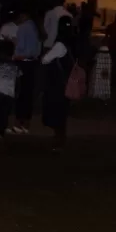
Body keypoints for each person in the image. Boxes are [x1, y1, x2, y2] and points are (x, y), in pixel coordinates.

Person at [40, 16, 76, 149]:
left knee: (56, 111)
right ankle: (60, 138)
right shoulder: (71, 41)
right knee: (62, 111)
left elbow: (45, 60)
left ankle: (59, 140)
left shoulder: (60, 44)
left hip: (57, 83)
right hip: (65, 81)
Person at [11, 8, 41, 133]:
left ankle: (20, 122)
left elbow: (21, 48)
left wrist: (13, 49)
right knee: (28, 93)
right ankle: (26, 122)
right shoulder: (34, 26)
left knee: (21, 94)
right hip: (32, 63)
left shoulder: (23, 28)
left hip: (23, 62)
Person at [0, 43, 20, 138]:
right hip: (9, 93)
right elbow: (18, 81)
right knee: (4, 113)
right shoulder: (15, 66)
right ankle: (0, 132)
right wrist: (17, 92)